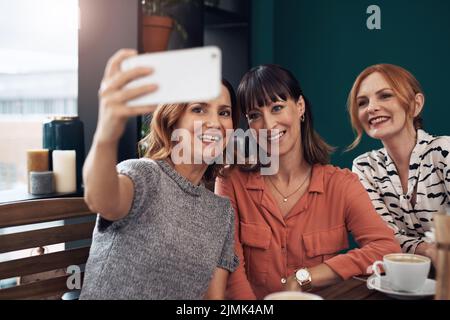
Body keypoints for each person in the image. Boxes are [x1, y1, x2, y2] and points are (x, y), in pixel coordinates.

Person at [214, 64, 401, 300]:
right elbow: (231, 267)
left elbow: (386, 247)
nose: (269, 125)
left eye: (277, 107)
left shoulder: (342, 184)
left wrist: (304, 277)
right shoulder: (231, 181)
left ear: (300, 107)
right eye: (254, 115)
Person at [80, 49, 239, 300]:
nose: (214, 122)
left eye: (224, 112)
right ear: (173, 120)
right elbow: (101, 199)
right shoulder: (144, 175)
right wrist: (106, 132)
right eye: (199, 109)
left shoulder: (222, 213)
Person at [348, 63, 450, 265]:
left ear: (415, 104)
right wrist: (429, 251)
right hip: (400, 283)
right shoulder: (364, 167)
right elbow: (382, 238)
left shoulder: (444, 150)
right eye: (362, 102)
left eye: (385, 95)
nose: (371, 107)